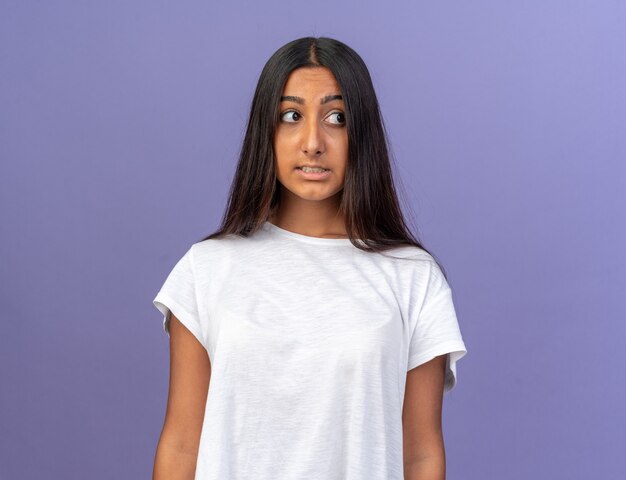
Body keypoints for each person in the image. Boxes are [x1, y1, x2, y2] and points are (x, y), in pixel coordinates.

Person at [152, 36, 467, 480]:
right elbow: (182, 446)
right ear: (267, 129)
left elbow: (420, 455)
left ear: (364, 134)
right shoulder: (206, 270)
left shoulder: (414, 278)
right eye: (292, 116)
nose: (313, 142)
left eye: (337, 118)